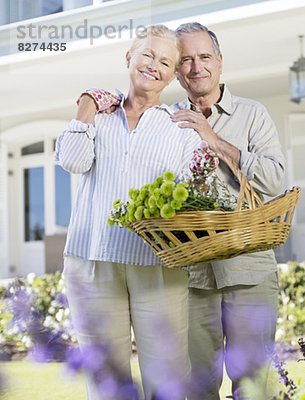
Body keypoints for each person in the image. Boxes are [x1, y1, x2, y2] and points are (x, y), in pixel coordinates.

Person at [55, 25, 203, 400]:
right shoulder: (101, 115)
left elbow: (197, 193)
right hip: (92, 262)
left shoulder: (180, 127)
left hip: (158, 264)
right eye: (148, 55)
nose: (154, 66)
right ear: (129, 59)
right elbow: (72, 160)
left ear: (172, 76)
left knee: (166, 379)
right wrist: (87, 103)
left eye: (165, 62)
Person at [170, 23, 285, 399]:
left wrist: (213, 140)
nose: (195, 67)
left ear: (219, 63)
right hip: (192, 281)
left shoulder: (252, 115)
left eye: (204, 57)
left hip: (249, 272)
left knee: (253, 388)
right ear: (175, 69)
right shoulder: (166, 122)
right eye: (185, 59)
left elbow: (275, 181)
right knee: (197, 389)